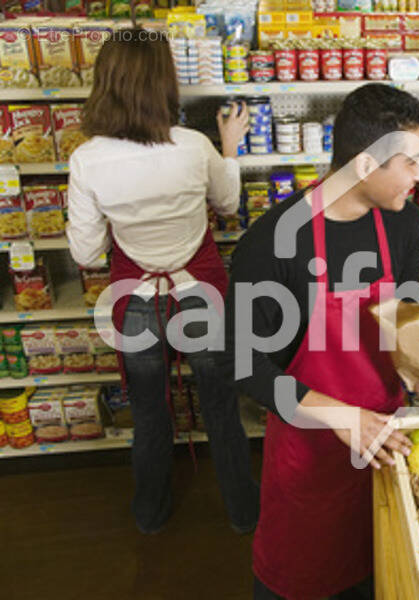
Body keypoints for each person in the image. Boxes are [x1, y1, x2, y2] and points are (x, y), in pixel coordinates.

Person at [218, 83, 419, 600]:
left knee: (386, 574)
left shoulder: (403, 222)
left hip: (388, 446)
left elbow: (404, 311)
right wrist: (344, 416)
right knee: (305, 580)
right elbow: (246, 366)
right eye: (412, 163)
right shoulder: (273, 243)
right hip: (311, 454)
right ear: (367, 166)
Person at [66, 28, 259, 535]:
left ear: (104, 83)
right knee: (222, 408)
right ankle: (244, 515)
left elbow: (85, 252)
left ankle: (150, 516)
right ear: (165, 83)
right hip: (201, 293)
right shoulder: (194, 147)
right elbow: (228, 205)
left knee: (150, 416)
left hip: (135, 302)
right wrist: (230, 148)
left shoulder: (86, 159)